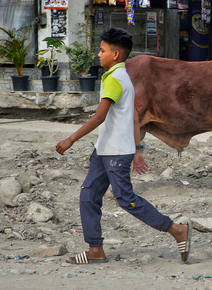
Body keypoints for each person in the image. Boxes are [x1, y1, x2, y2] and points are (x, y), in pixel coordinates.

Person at [56, 27, 191, 264]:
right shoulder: (122, 77)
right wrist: (138, 150)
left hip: (116, 152)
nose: (99, 54)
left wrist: (71, 139)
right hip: (105, 149)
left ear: (116, 54)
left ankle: (176, 229)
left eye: (102, 50)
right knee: (88, 196)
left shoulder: (116, 79)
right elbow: (134, 116)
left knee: (125, 199)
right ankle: (95, 250)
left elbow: (99, 116)